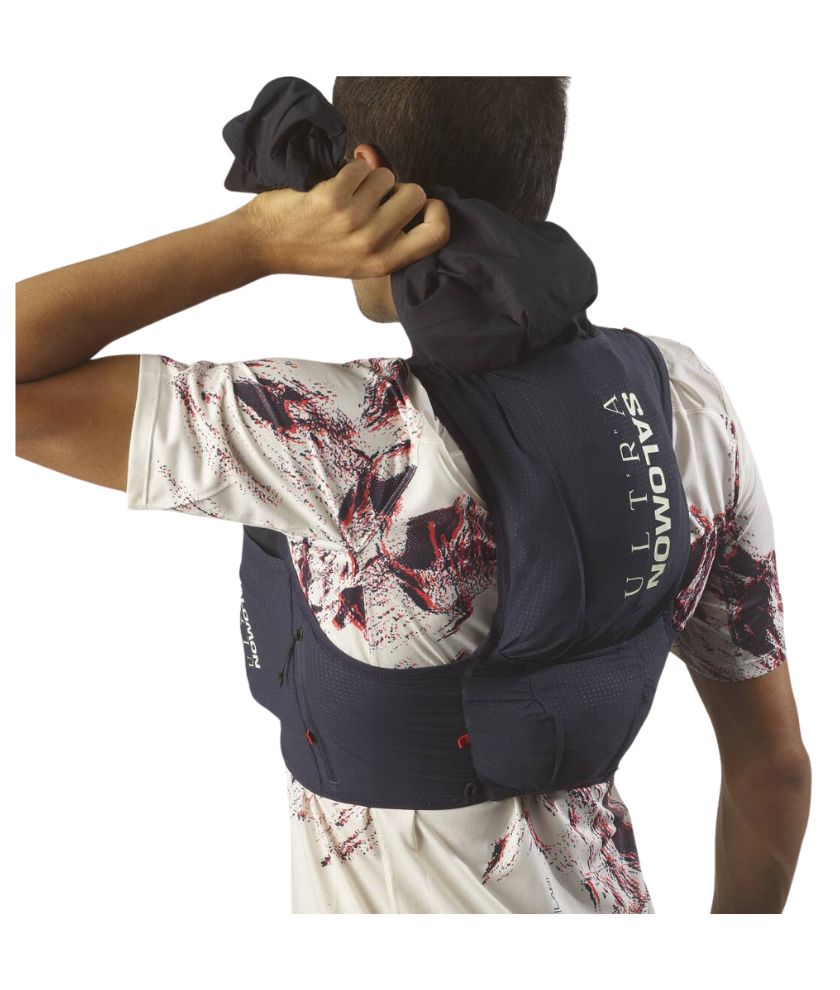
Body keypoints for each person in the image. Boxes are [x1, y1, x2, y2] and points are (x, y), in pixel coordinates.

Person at [14, 76, 810, 913]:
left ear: (357, 174)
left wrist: (254, 241)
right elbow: (775, 769)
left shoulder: (347, 437)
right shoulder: (685, 398)